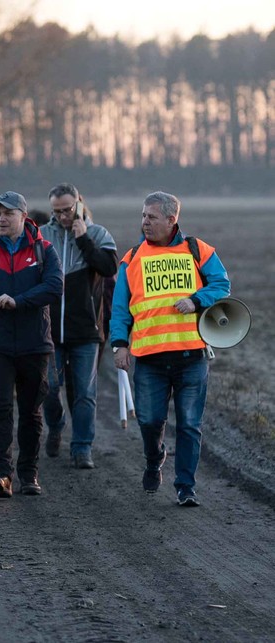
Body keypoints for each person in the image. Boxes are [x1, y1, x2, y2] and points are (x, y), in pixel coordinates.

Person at [110, 191, 230, 507]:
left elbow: (221, 285)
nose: (144, 222)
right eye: (143, 216)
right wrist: (119, 345)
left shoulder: (198, 250)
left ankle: (185, 487)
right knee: (149, 421)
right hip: (149, 359)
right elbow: (120, 307)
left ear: (171, 219)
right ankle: (155, 458)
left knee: (190, 424)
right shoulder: (132, 257)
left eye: (151, 216)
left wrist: (196, 300)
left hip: (192, 355)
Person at [0, 191, 63, 497]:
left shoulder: (44, 251)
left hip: (35, 344)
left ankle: (28, 475)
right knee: (0, 408)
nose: (1, 219)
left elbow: (55, 287)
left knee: (31, 411)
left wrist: (17, 301)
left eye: (7, 214)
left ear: (23, 216)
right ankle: (2, 474)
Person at [39, 184, 118, 469]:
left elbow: (109, 269)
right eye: (57, 211)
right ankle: (56, 423)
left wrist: (83, 239)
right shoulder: (42, 236)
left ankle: (82, 447)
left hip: (86, 330)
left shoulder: (99, 234)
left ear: (79, 205)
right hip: (49, 330)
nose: (62, 216)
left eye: (67, 210)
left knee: (85, 392)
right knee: (48, 388)